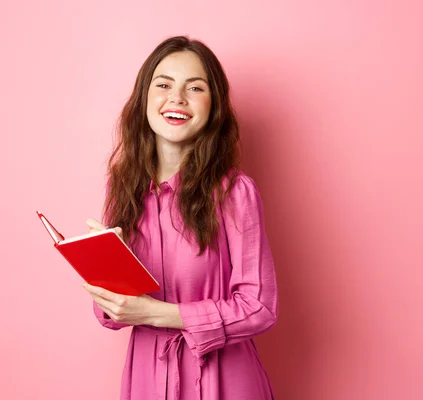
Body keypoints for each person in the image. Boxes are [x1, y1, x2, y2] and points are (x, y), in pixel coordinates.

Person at [82, 35, 278, 400]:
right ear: (145, 98)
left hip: (224, 380)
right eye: (163, 84)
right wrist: (104, 268)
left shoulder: (234, 192)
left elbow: (260, 308)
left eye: (195, 87)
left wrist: (160, 314)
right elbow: (110, 314)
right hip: (147, 378)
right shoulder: (123, 187)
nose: (177, 98)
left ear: (213, 105)